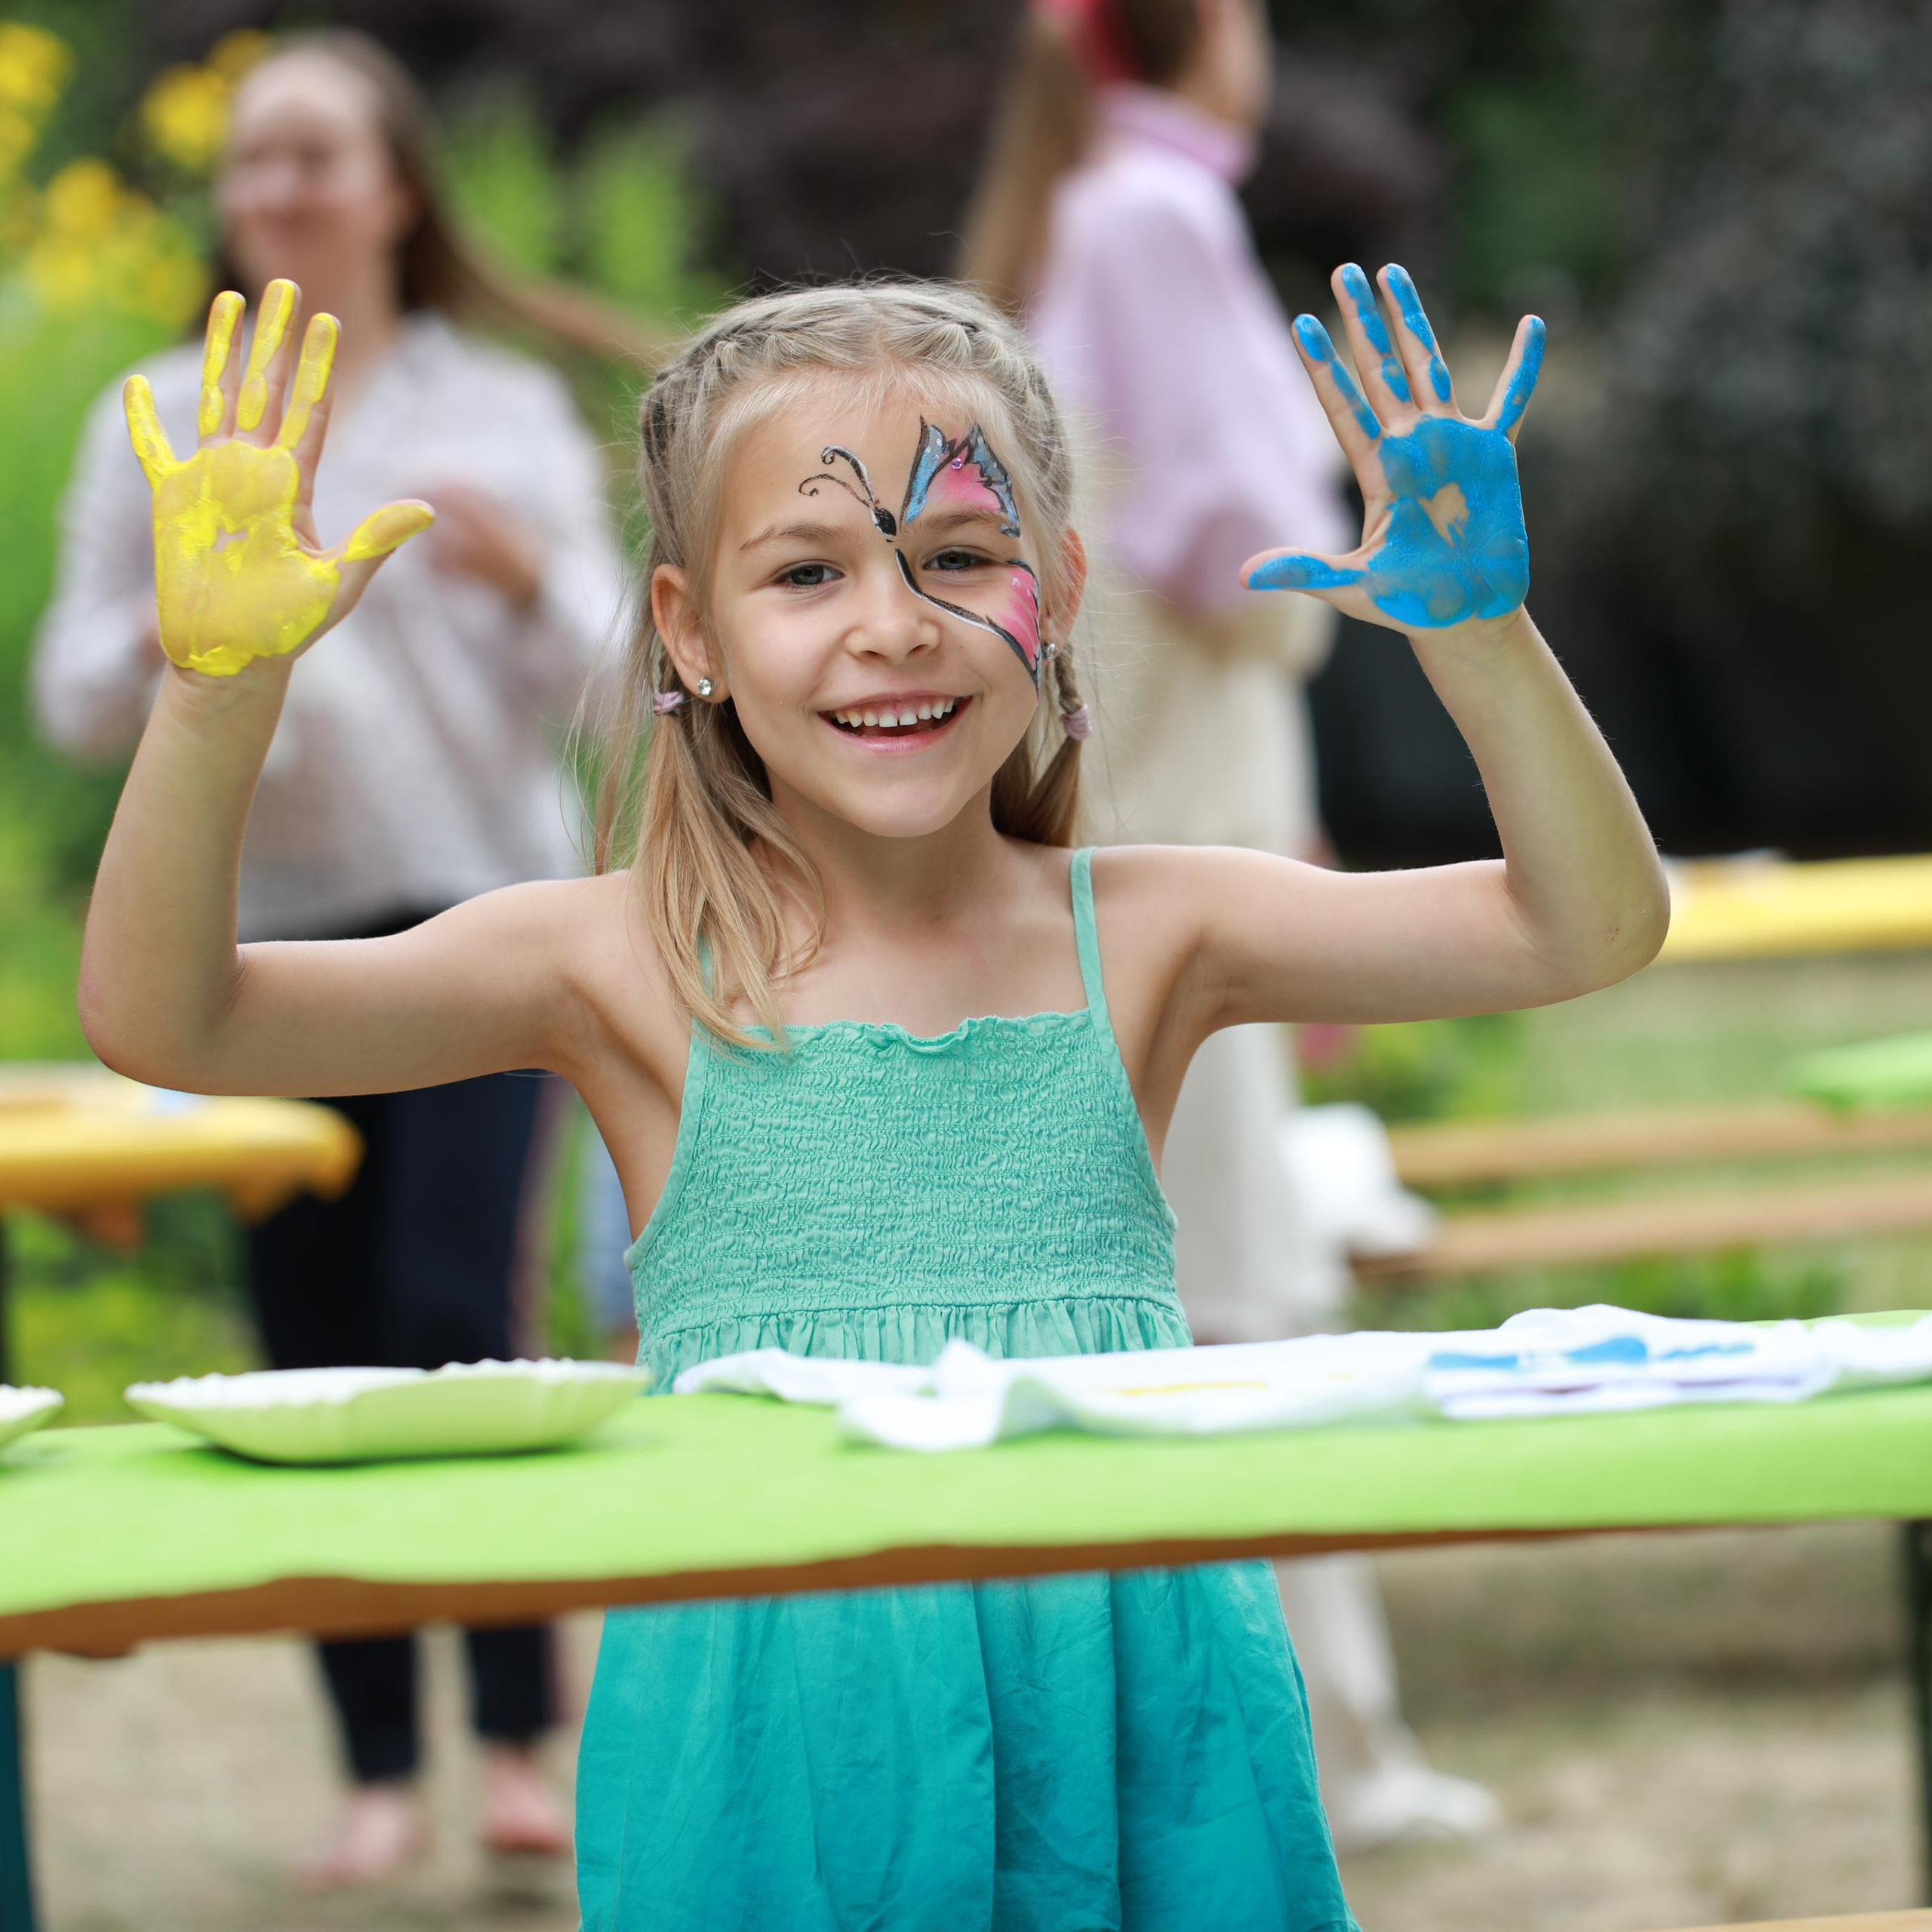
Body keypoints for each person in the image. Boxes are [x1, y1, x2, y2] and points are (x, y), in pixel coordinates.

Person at [74, 264, 1666, 1927]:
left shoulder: (1156, 929)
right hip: (774, 1742)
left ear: (1059, 586)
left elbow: (1584, 925)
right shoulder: (615, 960)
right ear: (689, 630)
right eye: (805, 570)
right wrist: (215, 692)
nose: (892, 622)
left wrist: (1480, 638)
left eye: (959, 556)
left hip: (1133, 1699)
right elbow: (168, 1016)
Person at [30, 32, 632, 1887]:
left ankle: (516, 1740)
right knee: (302, 1355)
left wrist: (527, 579)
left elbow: (631, 673)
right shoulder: (153, 413)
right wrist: (186, 636)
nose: (280, 187)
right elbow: (67, 698)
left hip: (477, 919)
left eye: (316, 153)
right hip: (255, 935)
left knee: (455, 1309)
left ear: (394, 188)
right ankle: (376, 1763)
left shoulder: (498, 409)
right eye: (254, 158)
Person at [962, 0, 1501, 1848]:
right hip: (1168, 835)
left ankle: (1251, 1748)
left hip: (1151, 820)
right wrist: (1339, 584)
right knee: (1235, 1296)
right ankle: (1327, 1755)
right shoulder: (1151, 214)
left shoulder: (1087, 208)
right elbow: (1234, 546)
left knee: (1180, 1290)